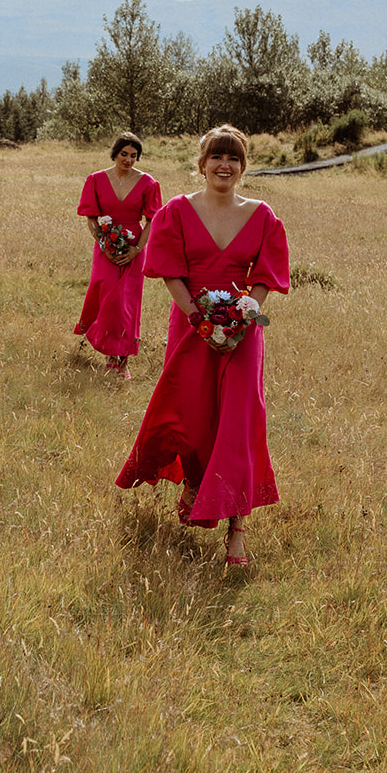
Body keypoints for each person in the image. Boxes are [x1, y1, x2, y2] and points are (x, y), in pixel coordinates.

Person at [115, 124, 290, 566]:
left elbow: (266, 275)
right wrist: (198, 318)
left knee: (239, 421)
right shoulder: (176, 210)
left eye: (233, 158)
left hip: (243, 332)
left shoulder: (263, 214)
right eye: (217, 157)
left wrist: (245, 314)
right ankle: (196, 483)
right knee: (191, 414)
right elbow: (169, 269)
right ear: (202, 164)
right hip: (191, 322)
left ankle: (237, 530)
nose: (224, 165)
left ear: (243, 166)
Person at [74, 132, 162, 379]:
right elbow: (91, 217)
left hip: (134, 248)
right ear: (115, 153)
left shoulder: (148, 183)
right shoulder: (95, 180)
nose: (129, 160)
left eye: (134, 156)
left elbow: (152, 220)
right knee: (108, 298)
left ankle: (121, 360)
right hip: (105, 246)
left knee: (126, 303)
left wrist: (137, 249)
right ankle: (108, 350)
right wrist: (104, 244)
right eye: (124, 154)